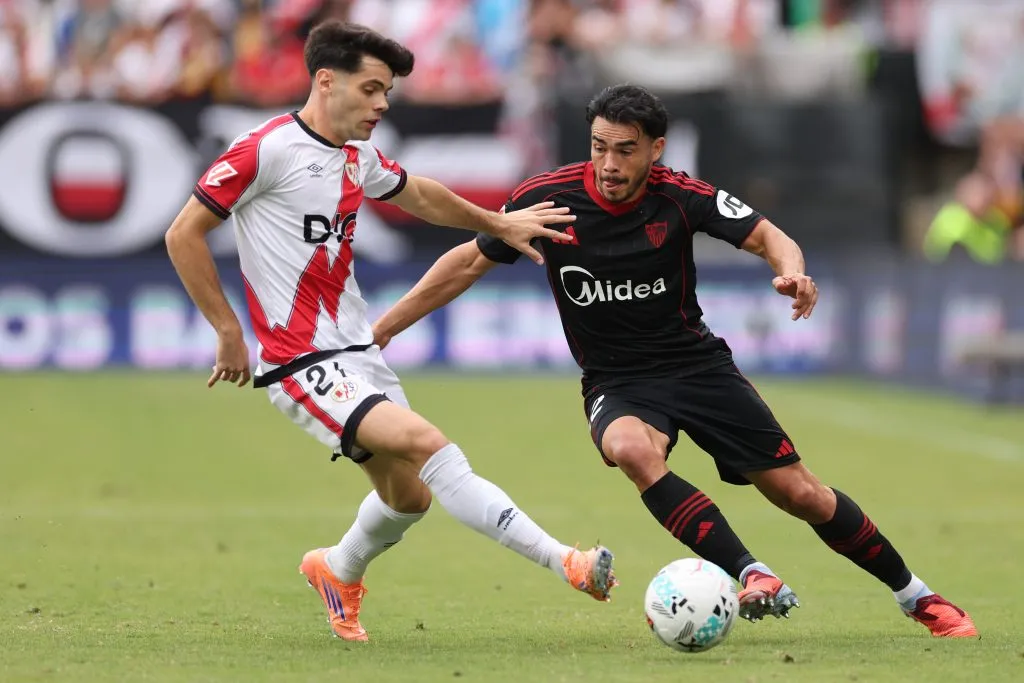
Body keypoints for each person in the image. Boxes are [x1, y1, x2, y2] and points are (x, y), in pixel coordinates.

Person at [371, 84, 979, 638]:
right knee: (633, 449)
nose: (610, 165)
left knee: (802, 495)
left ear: (655, 149)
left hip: (699, 368)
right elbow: (468, 263)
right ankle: (752, 572)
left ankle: (918, 597)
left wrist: (792, 274)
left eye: (626, 151)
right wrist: (384, 329)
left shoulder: (681, 196)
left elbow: (770, 235)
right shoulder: (547, 200)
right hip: (618, 381)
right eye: (600, 148)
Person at [164, 20, 617, 643]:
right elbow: (182, 233)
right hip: (300, 360)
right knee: (428, 444)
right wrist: (227, 330)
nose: (382, 104)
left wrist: (499, 221)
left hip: (357, 351)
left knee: (410, 498)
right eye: (372, 88)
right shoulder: (263, 150)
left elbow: (422, 197)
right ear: (326, 81)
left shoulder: (357, 155)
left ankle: (336, 568)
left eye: (388, 92)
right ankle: (567, 561)